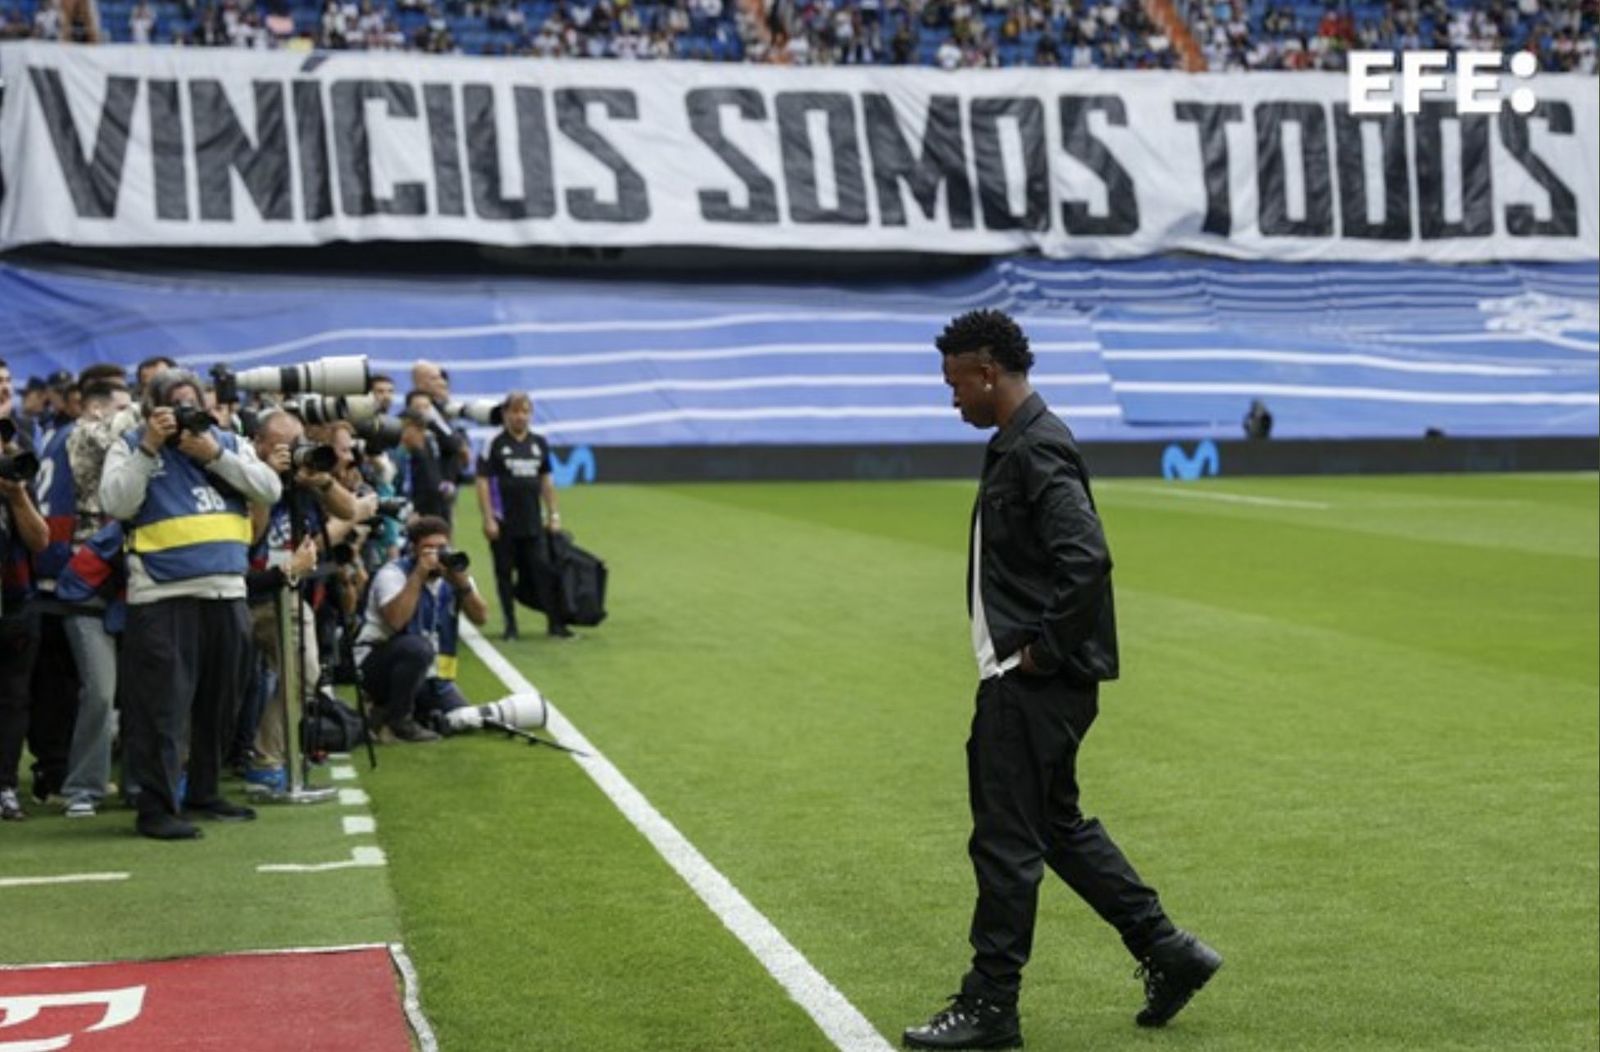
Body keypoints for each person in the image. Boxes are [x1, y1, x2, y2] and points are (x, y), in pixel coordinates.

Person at [903, 310, 1220, 1050]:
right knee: (1054, 827)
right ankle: (1168, 951)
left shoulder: (1036, 448)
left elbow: (1087, 556)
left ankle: (990, 1007)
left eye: (955, 384)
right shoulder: (1020, 443)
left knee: (1006, 842)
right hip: (1038, 682)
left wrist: (1041, 653)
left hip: (1032, 683)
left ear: (986, 373)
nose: (952, 399)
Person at [100, 367, 282, 840]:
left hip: (226, 591)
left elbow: (269, 488)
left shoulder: (228, 441)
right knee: (162, 708)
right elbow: (116, 503)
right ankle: (157, 808)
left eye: (192, 402)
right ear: (152, 408)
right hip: (162, 594)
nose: (185, 412)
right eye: (174, 403)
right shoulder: (133, 444)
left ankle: (204, 790)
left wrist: (216, 454)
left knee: (219, 703)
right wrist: (149, 448)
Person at [354, 515, 488, 743]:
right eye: (429, 549)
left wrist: (463, 585)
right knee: (418, 648)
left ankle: (390, 714)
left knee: (460, 718)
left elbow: (481, 617)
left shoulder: (452, 575)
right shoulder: (393, 574)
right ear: (414, 550)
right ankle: (398, 720)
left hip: (432, 676)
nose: (437, 555)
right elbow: (397, 620)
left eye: (442, 548)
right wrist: (419, 574)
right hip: (376, 666)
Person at [474, 392, 570, 640]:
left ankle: (555, 623)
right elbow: (483, 482)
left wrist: (554, 514)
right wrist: (488, 518)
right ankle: (510, 625)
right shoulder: (494, 442)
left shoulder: (539, 442)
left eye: (525, 412)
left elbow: (546, 480)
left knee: (543, 571)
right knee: (504, 573)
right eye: (515, 411)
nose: (520, 417)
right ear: (505, 414)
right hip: (503, 521)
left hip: (533, 522)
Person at [0, 421, 49, 821]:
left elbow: (40, 540)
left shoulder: (15, 479)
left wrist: (17, 498)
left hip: (16, 604)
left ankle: (5, 787)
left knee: (14, 699)